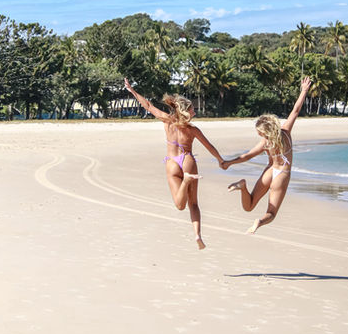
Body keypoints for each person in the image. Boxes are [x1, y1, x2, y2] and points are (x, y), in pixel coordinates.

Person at [124, 78, 224, 249]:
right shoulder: (193, 130)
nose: (194, 112)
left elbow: (148, 105)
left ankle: (185, 182)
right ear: (185, 111)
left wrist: (132, 91)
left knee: (180, 205)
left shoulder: (167, 121)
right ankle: (197, 234)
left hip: (172, 162)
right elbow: (210, 147)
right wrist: (221, 160)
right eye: (192, 109)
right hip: (187, 160)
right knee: (193, 204)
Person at [221, 77, 312, 234]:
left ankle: (243, 187)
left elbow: (247, 156)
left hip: (270, 171)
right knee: (271, 213)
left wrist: (229, 162)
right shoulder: (286, 132)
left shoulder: (265, 143)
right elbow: (296, 110)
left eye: (260, 132)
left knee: (249, 206)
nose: (259, 135)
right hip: (282, 174)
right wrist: (304, 90)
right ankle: (260, 222)